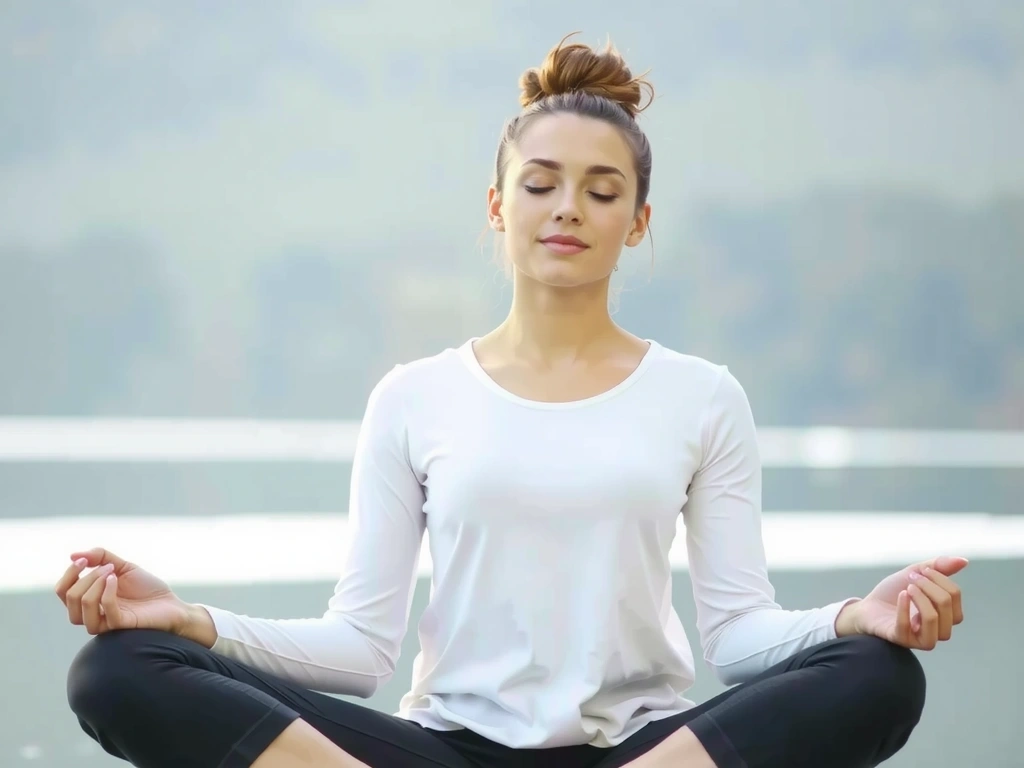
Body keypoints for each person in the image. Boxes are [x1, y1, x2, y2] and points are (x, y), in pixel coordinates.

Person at [57, 34, 967, 768]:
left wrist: (858, 616)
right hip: (446, 749)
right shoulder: (414, 396)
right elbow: (359, 648)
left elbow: (737, 634)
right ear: (498, 206)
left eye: (601, 191)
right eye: (540, 184)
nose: (567, 207)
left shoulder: (703, 397)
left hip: (644, 750)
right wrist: (186, 620)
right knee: (119, 668)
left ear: (638, 220)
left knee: (880, 676)